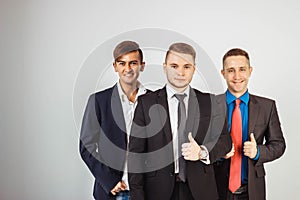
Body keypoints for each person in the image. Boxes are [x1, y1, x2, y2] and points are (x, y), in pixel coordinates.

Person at [128, 42, 232, 200]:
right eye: (174, 66)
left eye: (187, 66)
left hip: (201, 191)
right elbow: (136, 155)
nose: (180, 72)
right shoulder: (146, 103)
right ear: (165, 67)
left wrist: (202, 152)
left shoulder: (210, 102)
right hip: (157, 192)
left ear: (194, 69)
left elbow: (225, 141)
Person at [214, 48, 286, 200]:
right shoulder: (210, 105)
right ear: (223, 73)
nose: (237, 76)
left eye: (242, 69)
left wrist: (258, 152)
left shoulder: (267, 107)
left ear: (250, 71)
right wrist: (218, 152)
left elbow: (279, 145)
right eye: (231, 70)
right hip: (216, 188)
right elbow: (201, 143)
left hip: (252, 190)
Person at [80, 40, 148, 200]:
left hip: (147, 191)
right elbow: (86, 147)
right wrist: (109, 181)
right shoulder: (99, 101)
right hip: (113, 191)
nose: (128, 69)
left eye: (133, 63)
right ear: (115, 66)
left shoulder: (155, 100)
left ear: (142, 66)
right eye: (122, 63)